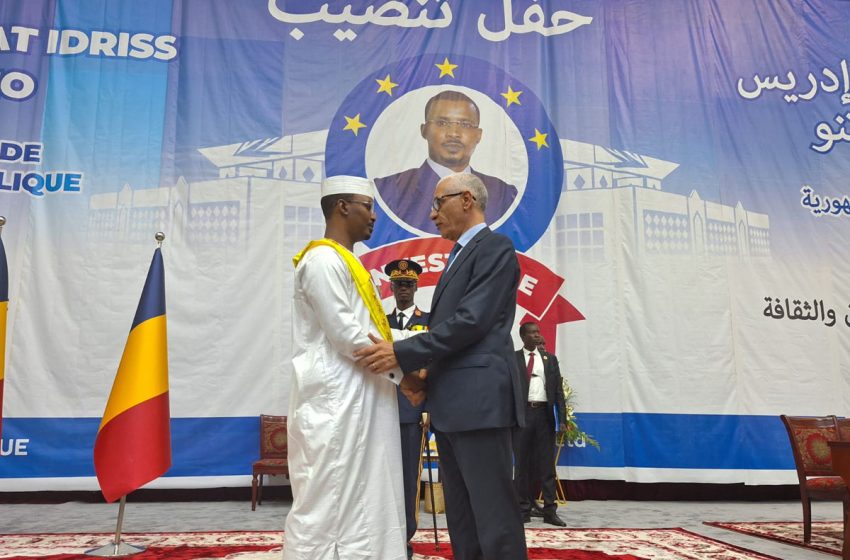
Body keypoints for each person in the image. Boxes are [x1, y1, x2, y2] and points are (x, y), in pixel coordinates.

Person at [355, 172, 527, 560]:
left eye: (438, 203)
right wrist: (425, 378)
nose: (432, 214)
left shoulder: (495, 247)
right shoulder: (460, 254)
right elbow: (454, 331)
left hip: (480, 405)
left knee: (493, 515)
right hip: (452, 406)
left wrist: (402, 353)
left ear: (466, 199)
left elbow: (471, 322)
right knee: (463, 518)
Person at [285, 175, 424, 560]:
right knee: (330, 496)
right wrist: (405, 373)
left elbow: (367, 332)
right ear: (343, 206)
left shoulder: (350, 263)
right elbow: (347, 334)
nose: (375, 217)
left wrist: (401, 372)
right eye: (368, 206)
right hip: (336, 401)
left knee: (370, 492)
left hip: (364, 396)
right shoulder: (322, 260)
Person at [375, 90, 518, 234]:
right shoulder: (388, 189)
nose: (454, 134)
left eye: (466, 124)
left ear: (478, 135)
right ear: (424, 130)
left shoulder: (503, 194)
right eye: (442, 123)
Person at [384, 258, 430, 559]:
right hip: (381, 409)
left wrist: (428, 406)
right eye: (399, 285)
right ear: (391, 287)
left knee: (408, 480)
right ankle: (381, 534)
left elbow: (433, 364)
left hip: (412, 411)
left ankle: (405, 538)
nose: (404, 290)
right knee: (381, 476)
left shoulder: (428, 321)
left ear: (416, 287)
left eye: (409, 285)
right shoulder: (380, 322)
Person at [513, 322, 567, 527]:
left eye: (538, 332)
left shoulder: (549, 359)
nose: (537, 336)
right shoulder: (513, 358)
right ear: (523, 336)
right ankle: (523, 509)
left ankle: (550, 511)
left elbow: (558, 391)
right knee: (521, 466)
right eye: (533, 333)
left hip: (544, 416)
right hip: (522, 415)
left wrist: (562, 419)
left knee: (547, 466)